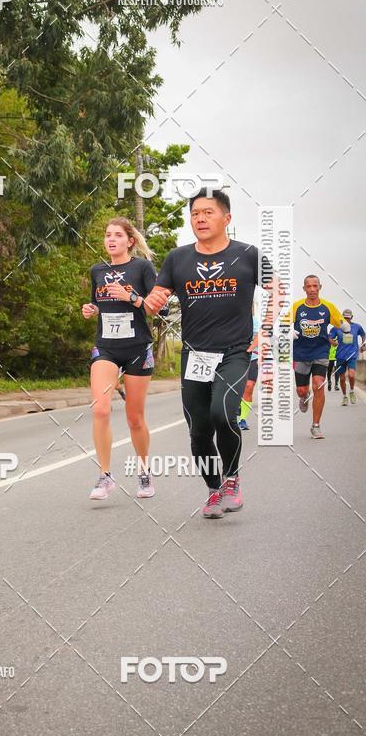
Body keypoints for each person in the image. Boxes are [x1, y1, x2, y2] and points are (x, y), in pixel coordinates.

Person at [144, 188, 275, 519]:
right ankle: (214, 490)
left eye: (208, 212)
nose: (199, 218)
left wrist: (265, 333)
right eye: (194, 214)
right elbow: (157, 299)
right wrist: (151, 302)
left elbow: (278, 291)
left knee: (222, 414)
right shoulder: (178, 258)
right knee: (198, 429)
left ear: (226, 218)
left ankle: (232, 480)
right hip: (195, 356)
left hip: (234, 352)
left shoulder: (248, 255)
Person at [82, 217, 158, 501]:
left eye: (117, 235)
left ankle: (144, 470)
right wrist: (91, 310)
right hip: (107, 348)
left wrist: (132, 297)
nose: (110, 239)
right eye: (107, 235)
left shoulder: (142, 268)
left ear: (130, 241)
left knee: (135, 418)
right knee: (100, 409)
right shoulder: (97, 271)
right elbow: (100, 305)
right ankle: (104, 476)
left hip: (138, 347)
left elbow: (154, 308)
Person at [291, 276, 349, 438]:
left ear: (320, 287)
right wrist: (287, 331)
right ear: (304, 289)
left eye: (315, 286)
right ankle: (304, 398)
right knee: (302, 390)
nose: (312, 289)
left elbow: (341, 322)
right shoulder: (296, 307)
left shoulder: (328, 307)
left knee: (318, 385)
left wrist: (345, 326)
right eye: (308, 286)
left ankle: (315, 425)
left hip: (321, 352)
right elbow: (282, 323)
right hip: (300, 353)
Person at [329, 308, 365, 406]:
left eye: (348, 318)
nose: (347, 320)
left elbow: (363, 335)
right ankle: (345, 396)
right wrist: (333, 342)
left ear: (351, 317)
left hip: (352, 355)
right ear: (342, 317)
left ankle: (352, 391)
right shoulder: (336, 327)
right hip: (340, 356)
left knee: (351, 375)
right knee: (341, 379)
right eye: (345, 318)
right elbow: (330, 337)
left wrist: (363, 344)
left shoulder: (357, 327)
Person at [238, 311, 260, 430]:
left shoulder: (254, 321)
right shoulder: (230, 319)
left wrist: (250, 349)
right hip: (234, 359)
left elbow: (260, 336)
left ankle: (242, 419)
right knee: (235, 388)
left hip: (252, 357)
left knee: (249, 386)